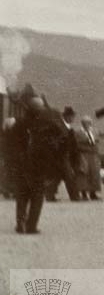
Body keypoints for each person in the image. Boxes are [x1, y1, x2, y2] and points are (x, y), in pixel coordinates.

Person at [8, 93, 67, 234]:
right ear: (41, 109)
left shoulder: (19, 123)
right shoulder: (47, 123)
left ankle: (20, 223)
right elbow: (63, 135)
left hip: (22, 164)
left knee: (22, 195)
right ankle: (31, 226)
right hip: (39, 164)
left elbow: (11, 144)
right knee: (37, 195)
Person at [46, 106, 83, 202]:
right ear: (66, 116)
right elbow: (54, 141)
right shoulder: (59, 126)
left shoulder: (67, 128)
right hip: (60, 156)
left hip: (65, 156)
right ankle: (75, 197)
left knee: (57, 176)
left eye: (73, 116)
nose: (73, 118)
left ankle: (50, 195)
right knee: (68, 176)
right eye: (71, 116)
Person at [74, 116, 103, 201]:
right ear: (82, 123)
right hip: (84, 155)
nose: (88, 124)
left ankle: (93, 193)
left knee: (94, 173)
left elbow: (97, 142)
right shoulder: (78, 133)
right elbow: (77, 144)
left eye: (89, 123)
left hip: (93, 155)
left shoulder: (94, 132)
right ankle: (83, 193)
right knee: (84, 173)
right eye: (86, 123)